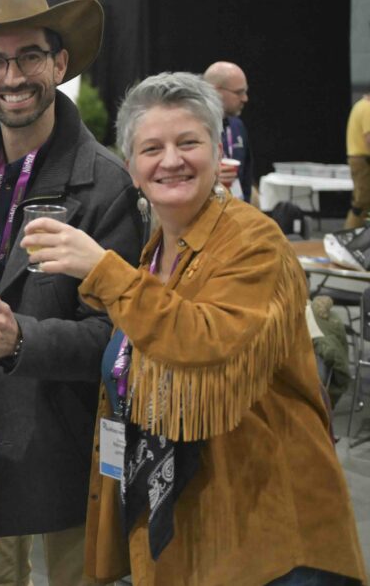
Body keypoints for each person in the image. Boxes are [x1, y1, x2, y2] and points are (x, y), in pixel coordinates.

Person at [23, 71, 367, 586]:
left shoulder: (253, 241)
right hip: (188, 529)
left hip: (269, 533)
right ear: (132, 169)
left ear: (218, 151)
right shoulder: (157, 250)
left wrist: (102, 270)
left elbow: (204, 340)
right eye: (151, 148)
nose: (171, 160)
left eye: (189, 143)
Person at [0, 0, 144, 586]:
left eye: (30, 56)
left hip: (66, 426)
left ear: (60, 62)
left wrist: (19, 339)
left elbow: (119, 332)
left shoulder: (104, 183)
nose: (13, 76)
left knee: (78, 577)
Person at [203, 61, 256, 203]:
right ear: (214, 91)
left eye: (245, 91)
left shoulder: (237, 126)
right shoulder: (193, 128)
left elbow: (246, 178)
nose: (245, 98)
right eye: (239, 92)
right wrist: (208, 181)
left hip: (236, 211)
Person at [344, 91, 370, 228]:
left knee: (363, 202)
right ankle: (349, 235)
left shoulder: (359, 105)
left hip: (358, 159)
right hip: (363, 160)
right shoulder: (368, 108)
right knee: (362, 202)